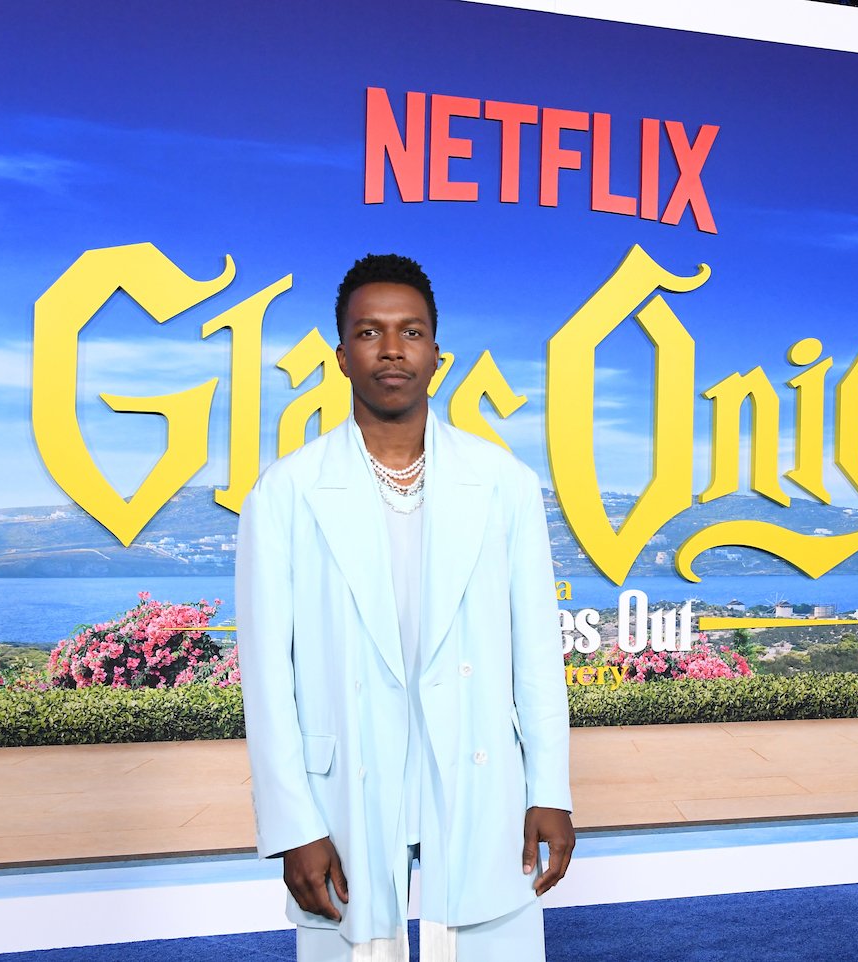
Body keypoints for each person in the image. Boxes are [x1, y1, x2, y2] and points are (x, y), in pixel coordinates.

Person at [236, 253, 575, 962]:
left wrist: (550, 789)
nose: (391, 350)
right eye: (369, 332)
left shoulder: (504, 484)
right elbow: (266, 678)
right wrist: (293, 823)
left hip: (479, 770)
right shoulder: (287, 493)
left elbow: (537, 651)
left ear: (437, 354)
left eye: (410, 332)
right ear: (340, 355)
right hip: (348, 782)